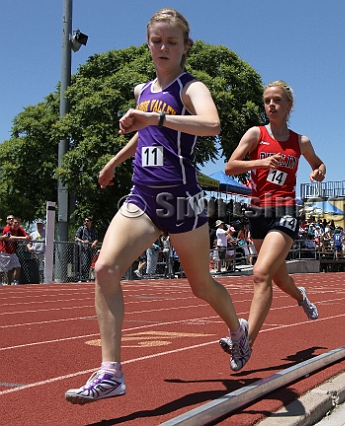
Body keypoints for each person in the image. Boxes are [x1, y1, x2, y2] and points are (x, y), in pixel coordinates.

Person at [65, 8, 251, 405]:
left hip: (181, 199)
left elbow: (212, 125)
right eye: (156, 40)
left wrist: (157, 119)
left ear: (186, 47)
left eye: (171, 41)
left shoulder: (190, 88)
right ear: (148, 43)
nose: (163, 47)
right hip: (143, 196)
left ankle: (238, 330)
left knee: (200, 285)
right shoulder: (141, 90)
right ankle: (111, 372)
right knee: (105, 268)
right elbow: (145, 134)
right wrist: (114, 162)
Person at [221, 79, 325, 353]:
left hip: (286, 210)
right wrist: (260, 162)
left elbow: (318, 164)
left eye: (277, 100)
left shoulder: (300, 141)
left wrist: (319, 171)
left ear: (289, 105)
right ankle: (300, 296)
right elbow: (230, 166)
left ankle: (245, 343)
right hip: (259, 212)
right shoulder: (256, 134)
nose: (271, 105)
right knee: (278, 279)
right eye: (267, 100)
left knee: (260, 273)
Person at [0, 217, 30, 285]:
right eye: (15, 222)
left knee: (17, 267)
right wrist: (23, 238)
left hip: (12, 252)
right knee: (2, 269)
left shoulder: (20, 229)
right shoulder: (7, 228)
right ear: (12, 223)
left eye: (18, 223)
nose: (17, 224)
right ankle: (0, 282)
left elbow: (26, 235)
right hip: (4, 252)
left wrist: (28, 237)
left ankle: (15, 282)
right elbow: (10, 237)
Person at [75, 217, 99, 281]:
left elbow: (96, 239)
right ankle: (83, 277)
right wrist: (83, 241)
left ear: (91, 222)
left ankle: (87, 277)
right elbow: (77, 237)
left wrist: (94, 242)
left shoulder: (94, 230)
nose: (86, 222)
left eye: (87, 221)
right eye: (85, 221)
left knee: (90, 263)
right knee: (84, 263)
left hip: (91, 249)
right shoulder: (81, 229)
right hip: (83, 249)